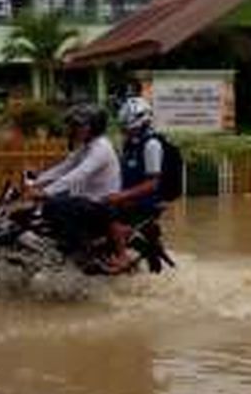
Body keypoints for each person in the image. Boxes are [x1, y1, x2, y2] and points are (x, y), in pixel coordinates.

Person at [26, 104, 121, 251]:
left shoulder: (101, 148)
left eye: (78, 125)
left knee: (53, 205)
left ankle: (84, 247)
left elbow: (78, 174)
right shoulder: (87, 146)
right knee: (52, 203)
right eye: (74, 125)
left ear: (93, 126)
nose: (74, 129)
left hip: (101, 203)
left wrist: (46, 192)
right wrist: (37, 182)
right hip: (87, 198)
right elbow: (65, 167)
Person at [104, 97, 165, 272]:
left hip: (143, 202)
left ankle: (122, 257)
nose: (125, 130)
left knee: (107, 215)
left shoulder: (152, 145)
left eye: (128, 127)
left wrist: (120, 196)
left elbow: (152, 183)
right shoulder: (130, 144)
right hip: (128, 198)